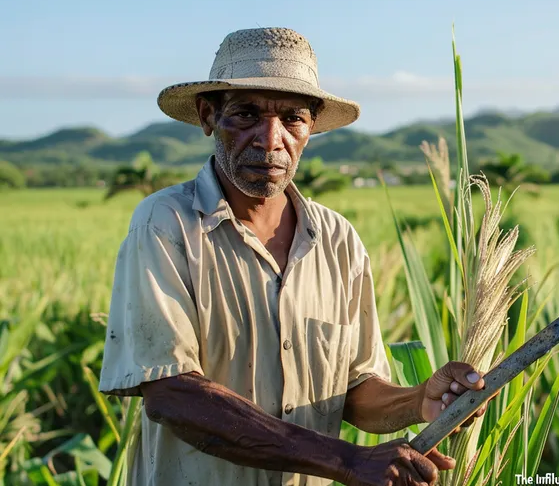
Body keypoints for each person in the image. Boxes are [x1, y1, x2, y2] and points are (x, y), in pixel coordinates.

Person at [98, 27, 488, 486]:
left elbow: (356, 390)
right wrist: (347, 461)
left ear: (312, 128)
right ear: (208, 116)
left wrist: (418, 400)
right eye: (245, 115)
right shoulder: (165, 224)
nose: (270, 138)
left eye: (292, 118)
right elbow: (173, 394)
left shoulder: (338, 240)